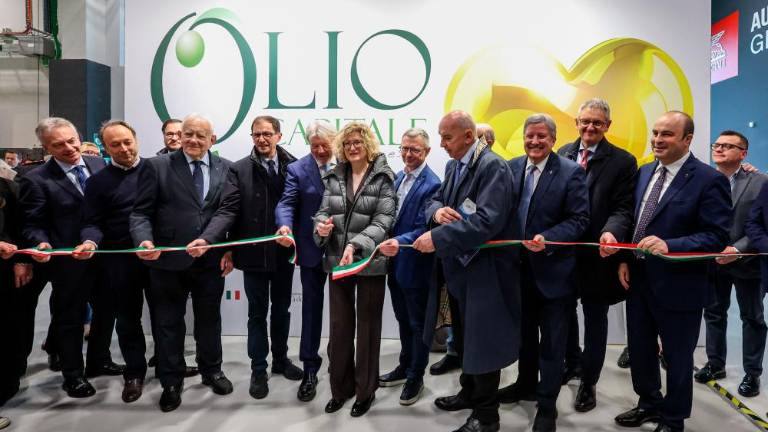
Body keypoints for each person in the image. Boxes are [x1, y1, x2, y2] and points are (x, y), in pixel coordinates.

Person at [610, 111, 731, 432]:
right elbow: (635, 221)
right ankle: (648, 403)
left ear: (687, 139)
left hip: (680, 285)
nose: (657, 140)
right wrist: (624, 258)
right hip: (639, 279)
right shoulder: (645, 171)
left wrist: (671, 244)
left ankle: (673, 419)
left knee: (677, 358)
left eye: (666, 134)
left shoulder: (709, 180)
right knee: (640, 349)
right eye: (655, 132)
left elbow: (717, 236)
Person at [415, 110, 520, 432]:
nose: (442, 144)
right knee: (463, 338)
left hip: (485, 271)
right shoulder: (454, 165)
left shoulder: (493, 167)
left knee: (483, 342)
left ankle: (487, 416)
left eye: (447, 137)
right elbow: (433, 199)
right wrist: (437, 213)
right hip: (460, 270)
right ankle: (469, 393)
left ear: (468, 136)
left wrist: (437, 238)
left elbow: (487, 221)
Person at [190, 115, 302, 400]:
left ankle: (281, 360)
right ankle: (258, 369)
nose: (261, 139)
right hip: (252, 255)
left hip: (284, 254)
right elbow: (229, 210)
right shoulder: (238, 169)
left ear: (279, 136)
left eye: (267, 134)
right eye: (256, 134)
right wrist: (224, 245)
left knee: (282, 310)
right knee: (256, 314)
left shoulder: (294, 166)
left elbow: (300, 207)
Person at [129, 114, 233, 412]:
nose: (193, 140)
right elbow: (140, 213)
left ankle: (211, 370)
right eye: (188, 134)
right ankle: (171, 380)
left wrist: (217, 244)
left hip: (209, 261)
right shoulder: (156, 166)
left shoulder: (226, 168)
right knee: (168, 324)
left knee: (209, 321)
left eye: (201, 135)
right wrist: (144, 240)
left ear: (212, 140)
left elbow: (227, 211)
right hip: (166, 262)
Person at [18, 117, 125, 398]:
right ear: (46, 148)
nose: (69, 147)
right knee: (70, 318)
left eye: (72, 140)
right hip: (68, 263)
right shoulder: (36, 179)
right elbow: (32, 223)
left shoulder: (99, 165)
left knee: (107, 310)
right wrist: (40, 243)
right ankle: (73, 375)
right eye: (59, 144)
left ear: (79, 136)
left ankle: (99, 360)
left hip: (104, 255)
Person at [498, 113, 589, 432]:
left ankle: (547, 405)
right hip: (516, 273)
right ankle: (525, 385)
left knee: (552, 344)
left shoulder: (571, 172)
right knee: (524, 338)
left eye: (541, 136)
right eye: (530, 136)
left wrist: (548, 239)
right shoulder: (510, 168)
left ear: (553, 139)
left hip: (554, 276)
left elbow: (580, 220)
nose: (534, 141)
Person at [556, 99, 637, 412]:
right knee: (563, 313)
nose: (590, 127)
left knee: (594, 319)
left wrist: (612, 232)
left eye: (597, 123)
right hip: (563, 253)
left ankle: (589, 382)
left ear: (607, 126)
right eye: (585, 121)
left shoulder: (623, 161)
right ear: (576, 122)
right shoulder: (562, 153)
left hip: (599, 254)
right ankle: (573, 363)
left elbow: (623, 208)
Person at [314, 121, 396, 417]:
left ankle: (365, 391)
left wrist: (356, 245)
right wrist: (321, 228)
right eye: (347, 143)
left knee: (368, 328)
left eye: (357, 142)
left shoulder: (383, 177)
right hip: (338, 261)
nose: (352, 148)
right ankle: (340, 389)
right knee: (339, 327)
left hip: (370, 260)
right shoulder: (334, 176)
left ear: (368, 144)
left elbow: (383, 221)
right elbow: (323, 212)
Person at [73, 120, 151, 403]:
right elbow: (91, 222)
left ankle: (171, 368)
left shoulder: (157, 171)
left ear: (136, 139)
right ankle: (134, 373)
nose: (123, 149)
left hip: (158, 257)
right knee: (128, 320)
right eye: (115, 144)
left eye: (127, 142)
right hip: (120, 262)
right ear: (105, 148)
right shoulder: (98, 182)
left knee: (166, 317)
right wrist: (90, 242)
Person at [697, 130, 767, 396]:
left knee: (752, 317)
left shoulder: (760, 181)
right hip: (713, 260)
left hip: (747, 261)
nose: (719, 149)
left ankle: (752, 373)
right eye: (717, 144)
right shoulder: (704, 178)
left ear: (743, 153)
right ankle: (715, 364)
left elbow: (762, 224)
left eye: (728, 146)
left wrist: (738, 249)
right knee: (714, 313)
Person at [377, 128, 441, 405]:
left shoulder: (433, 184)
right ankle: (405, 366)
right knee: (403, 319)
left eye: (415, 149)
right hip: (394, 264)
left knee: (417, 324)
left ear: (427, 151)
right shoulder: (398, 177)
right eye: (404, 148)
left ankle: (416, 376)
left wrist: (398, 241)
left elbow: (423, 228)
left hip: (416, 266)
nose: (408, 154)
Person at [275, 120, 337, 402]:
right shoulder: (297, 169)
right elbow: (286, 203)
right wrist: (284, 226)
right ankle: (310, 368)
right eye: (315, 146)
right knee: (311, 311)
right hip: (311, 251)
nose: (321, 151)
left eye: (325, 145)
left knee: (343, 312)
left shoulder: (348, 165)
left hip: (343, 251)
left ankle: (340, 361)